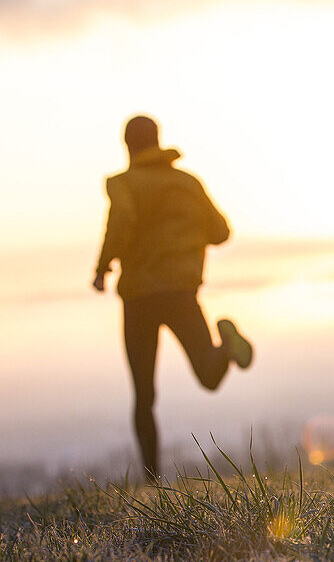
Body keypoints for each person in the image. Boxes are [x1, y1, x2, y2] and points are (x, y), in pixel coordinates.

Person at [92, 114, 253, 482]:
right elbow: (220, 231)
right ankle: (226, 346)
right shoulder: (187, 183)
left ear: (128, 145)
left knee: (144, 394)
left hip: (140, 298)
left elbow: (120, 223)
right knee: (209, 377)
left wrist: (102, 267)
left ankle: (151, 480)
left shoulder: (124, 183)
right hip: (182, 291)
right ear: (158, 139)